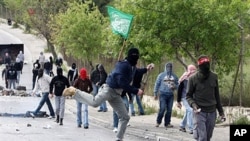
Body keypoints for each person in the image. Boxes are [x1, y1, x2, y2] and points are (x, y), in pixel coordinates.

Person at [63, 48, 154, 141]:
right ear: (132, 57)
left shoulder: (132, 66)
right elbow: (121, 81)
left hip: (116, 94)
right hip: (108, 89)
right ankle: (75, 91)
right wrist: (135, 90)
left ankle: (119, 138)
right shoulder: (122, 65)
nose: (137, 60)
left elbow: (137, 71)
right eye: (136, 58)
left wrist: (146, 69)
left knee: (125, 117)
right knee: (95, 103)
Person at [186, 55, 225, 141]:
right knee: (202, 137)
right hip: (199, 112)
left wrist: (221, 112)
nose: (206, 66)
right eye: (204, 65)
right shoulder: (192, 79)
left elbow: (217, 95)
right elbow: (188, 96)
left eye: (208, 64)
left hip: (212, 112)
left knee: (208, 137)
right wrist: (193, 105)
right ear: (199, 66)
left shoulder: (214, 77)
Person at [154, 62, 179, 128]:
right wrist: (155, 93)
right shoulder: (161, 75)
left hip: (170, 95)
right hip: (162, 94)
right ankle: (158, 121)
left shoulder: (174, 76)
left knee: (169, 110)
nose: (169, 68)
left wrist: (175, 86)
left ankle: (167, 123)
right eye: (168, 67)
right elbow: (157, 84)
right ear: (165, 67)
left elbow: (178, 85)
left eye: (170, 67)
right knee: (162, 108)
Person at [176, 64, 197, 134]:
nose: (193, 73)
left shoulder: (195, 78)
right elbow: (179, 90)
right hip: (184, 97)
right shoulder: (184, 78)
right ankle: (191, 128)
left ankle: (182, 126)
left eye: (194, 71)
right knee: (190, 110)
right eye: (192, 71)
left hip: (191, 98)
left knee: (188, 111)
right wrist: (178, 101)